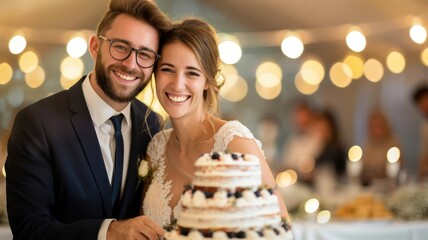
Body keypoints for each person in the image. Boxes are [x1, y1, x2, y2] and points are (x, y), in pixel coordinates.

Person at [5, 0, 170, 239]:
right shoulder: (37, 123)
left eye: (144, 54)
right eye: (121, 47)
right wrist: (108, 232)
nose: (131, 64)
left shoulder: (152, 123)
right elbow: (30, 228)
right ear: (95, 47)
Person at [140, 18, 290, 228]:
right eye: (167, 69)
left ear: (207, 80)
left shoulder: (234, 141)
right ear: (155, 74)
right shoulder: (156, 147)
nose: (177, 83)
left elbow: (282, 228)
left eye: (192, 73)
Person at [281, 101, 321, 185]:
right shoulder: (292, 140)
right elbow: (286, 164)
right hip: (294, 184)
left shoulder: (318, 139)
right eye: (298, 120)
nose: (300, 123)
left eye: (303, 120)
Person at [360, 108, 403, 186]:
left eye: (379, 126)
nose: (377, 130)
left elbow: (397, 168)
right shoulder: (368, 143)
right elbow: (363, 167)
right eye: (374, 126)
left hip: (389, 185)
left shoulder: (393, 142)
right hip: (370, 185)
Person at [412, 84, 428, 181]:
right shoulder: (424, 125)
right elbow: (424, 151)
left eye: (424, 100)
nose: (422, 105)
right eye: (419, 103)